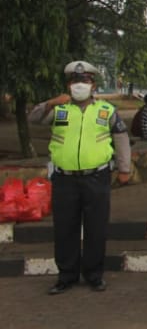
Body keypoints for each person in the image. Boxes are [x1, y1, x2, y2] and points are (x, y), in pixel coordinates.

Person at [29, 60, 132, 294]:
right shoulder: (59, 110)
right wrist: (52, 102)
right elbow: (33, 118)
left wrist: (124, 168)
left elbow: (121, 138)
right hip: (64, 179)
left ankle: (94, 275)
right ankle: (66, 276)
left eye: (84, 81)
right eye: (75, 81)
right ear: (68, 85)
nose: (79, 85)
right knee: (65, 227)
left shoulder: (106, 110)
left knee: (96, 227)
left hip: (96, 177)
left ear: (93, 85)